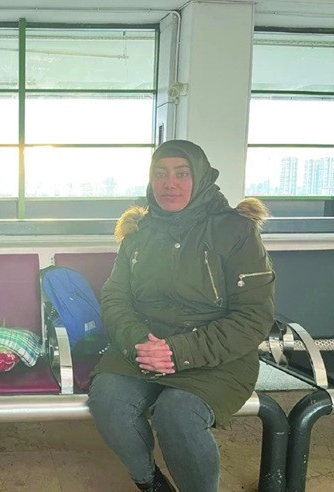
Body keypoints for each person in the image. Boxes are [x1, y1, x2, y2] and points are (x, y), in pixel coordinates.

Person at [88, 140, 275, 492]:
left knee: (178, 414)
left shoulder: (235, 231)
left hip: (217, 356)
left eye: (181, 174)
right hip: (143, 348)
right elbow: (115, 297)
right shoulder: (138, 233)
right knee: (108, 401)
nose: (169, 184)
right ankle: (150, 483)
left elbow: (253, 318)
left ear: (200, 177)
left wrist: (177, 351)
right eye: (160, 174)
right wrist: (138, 341)